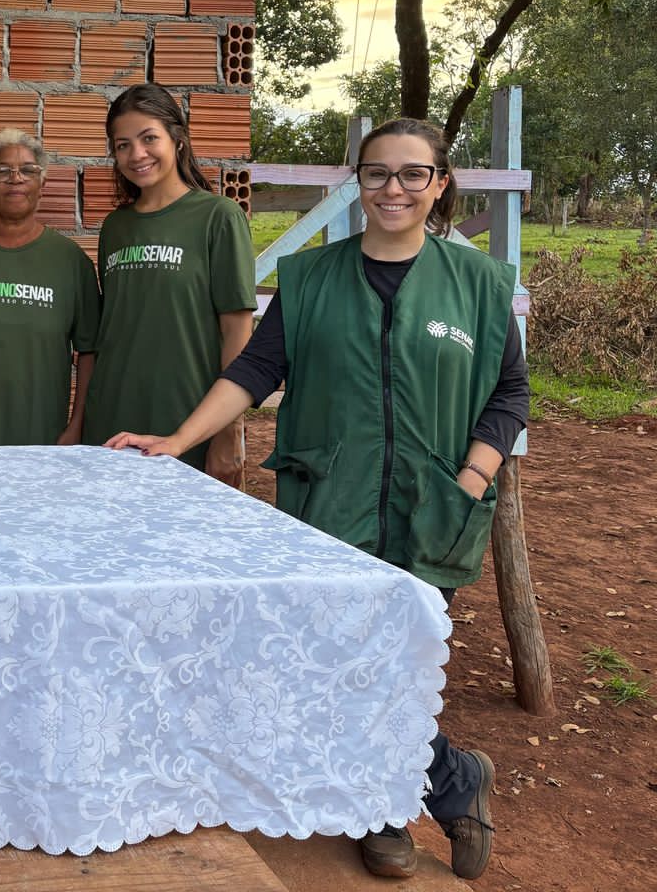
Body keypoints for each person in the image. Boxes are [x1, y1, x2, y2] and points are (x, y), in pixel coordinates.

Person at [107, 117, 528, 882]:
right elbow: (254, 371)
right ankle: (420, 793)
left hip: (433, 497)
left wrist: (473, 476)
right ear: (357, 184)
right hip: (329, 495)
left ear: (439, 185)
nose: (392, 189)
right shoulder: (310, 278)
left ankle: (401, 801)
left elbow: (510, 393)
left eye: (411, 174)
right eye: (376, 174)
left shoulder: (479, 285)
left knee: (401, 654)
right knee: (344, 654)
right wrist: (176, 439)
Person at [81, 84, 255, 484]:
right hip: (110, 416)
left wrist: (228, 431)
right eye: (122, 145)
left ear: (178, 139)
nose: (136, 154)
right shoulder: (116, 227)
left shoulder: (218, 217)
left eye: (149, 138)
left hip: (188, 420)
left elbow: (237, 332)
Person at [0, 129, 99, 446]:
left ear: (42, 184)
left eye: (28, 170)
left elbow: (89, 351)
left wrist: (77, 425)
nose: (15, 178)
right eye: (2, 170)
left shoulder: (70, 261)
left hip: (45, 445)